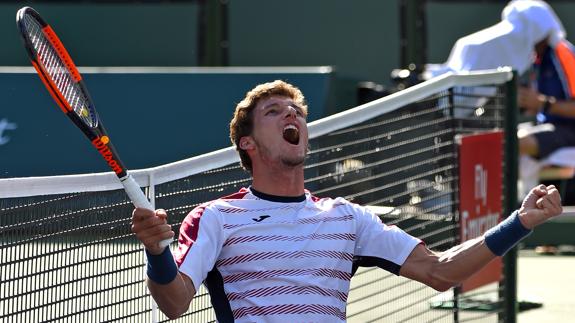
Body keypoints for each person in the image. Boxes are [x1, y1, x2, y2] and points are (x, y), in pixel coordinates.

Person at [131, 80, 562, 322]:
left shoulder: (346, 218)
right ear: (248, 144)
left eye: (296, 111)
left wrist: (520, 222)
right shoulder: (216, 217)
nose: (291, 115)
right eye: (274, 111)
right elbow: (175, 302)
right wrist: (156, 252)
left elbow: (441, 271)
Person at [424, 0, 575, 202]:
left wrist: (542, 103)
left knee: (508, 143)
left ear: (538, 30)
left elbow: (553, 104)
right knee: (493, 138)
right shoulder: (536, 58)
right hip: (548, 126)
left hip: (569, 132)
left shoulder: (563, 54)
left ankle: (489, 201)